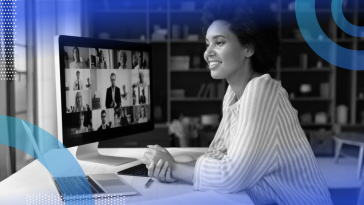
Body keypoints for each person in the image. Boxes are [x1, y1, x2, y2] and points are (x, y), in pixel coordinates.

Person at [139, 1, 333, 205]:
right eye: (208, 43)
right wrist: (171, 167)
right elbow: (217, 155)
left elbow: (232, 177)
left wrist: (176, 168)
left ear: (248, 48)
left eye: (219, 42)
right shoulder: (233, 93)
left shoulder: (263, 90)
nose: (208, 53)